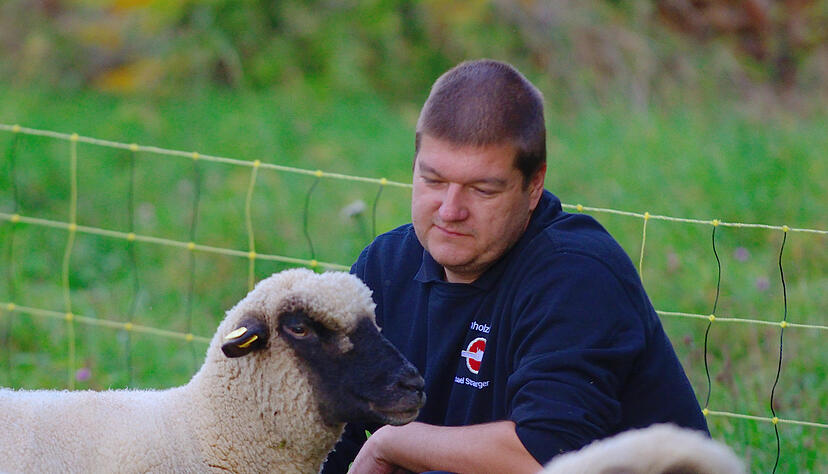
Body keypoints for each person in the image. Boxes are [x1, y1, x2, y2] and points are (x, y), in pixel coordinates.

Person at [322, 59, 708, 474]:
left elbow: (544, 459)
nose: (450, 211)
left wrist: (396, 441)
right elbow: (327, 435)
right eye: (433, 180)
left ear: (533, 185)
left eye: (482, 189)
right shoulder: (384, 267)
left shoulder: (577, 276)